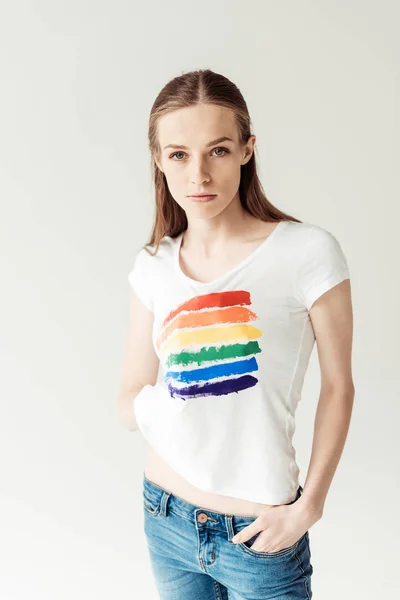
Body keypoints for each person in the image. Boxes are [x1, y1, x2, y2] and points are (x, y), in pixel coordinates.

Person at [117, 69, 354, 600]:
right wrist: (178, 400)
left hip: (261, 534)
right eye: (178, 154)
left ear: (247, 150)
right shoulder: (153, 265)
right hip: (167, 514)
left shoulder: (307, 253)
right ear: (158, 159)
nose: (198, 173)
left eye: (218, 150)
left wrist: (309, 504)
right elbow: (128, 397)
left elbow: (340, 386)